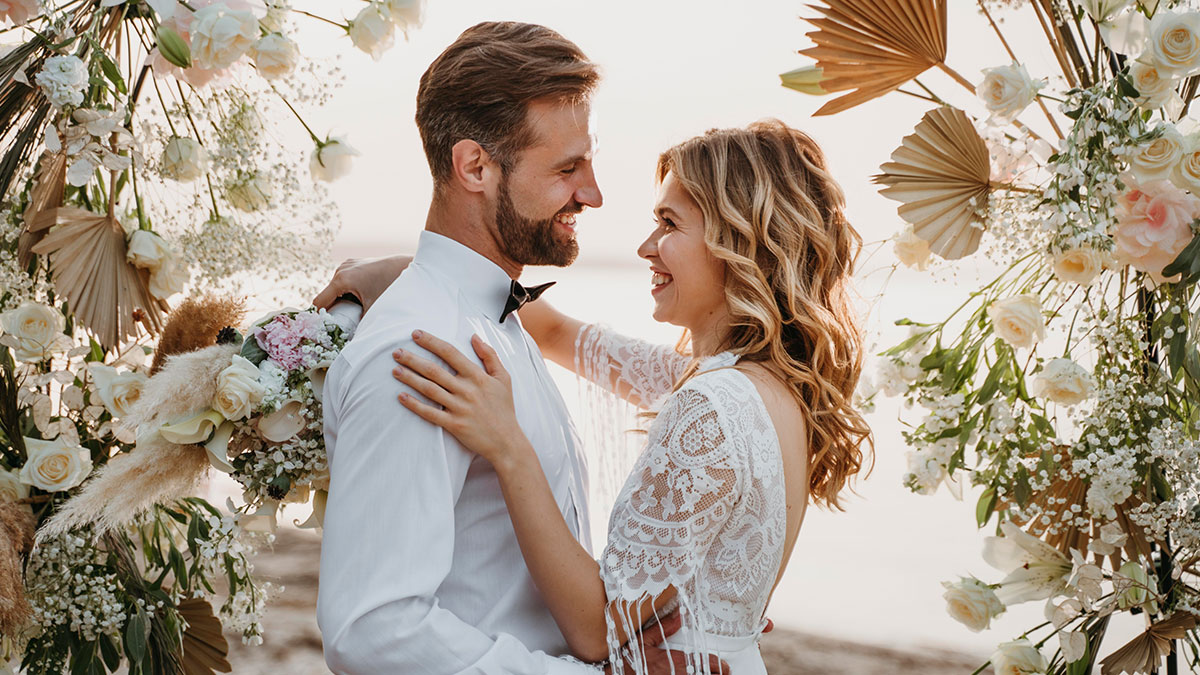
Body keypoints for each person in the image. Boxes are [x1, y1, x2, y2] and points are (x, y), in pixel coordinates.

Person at [329, 120, 874, 674]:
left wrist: (508, 446)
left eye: (669, 223)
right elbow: (559, 333)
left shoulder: (709, 408)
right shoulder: (765, 386)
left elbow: (597, 631)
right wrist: (410, 273)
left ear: (738, 243)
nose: (645, 247)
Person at [315, 21, 720, 675]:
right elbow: (373, 628)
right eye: (567, 169)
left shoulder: (498, 316)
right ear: (474, 166)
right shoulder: (419, 354)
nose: (593, 192)